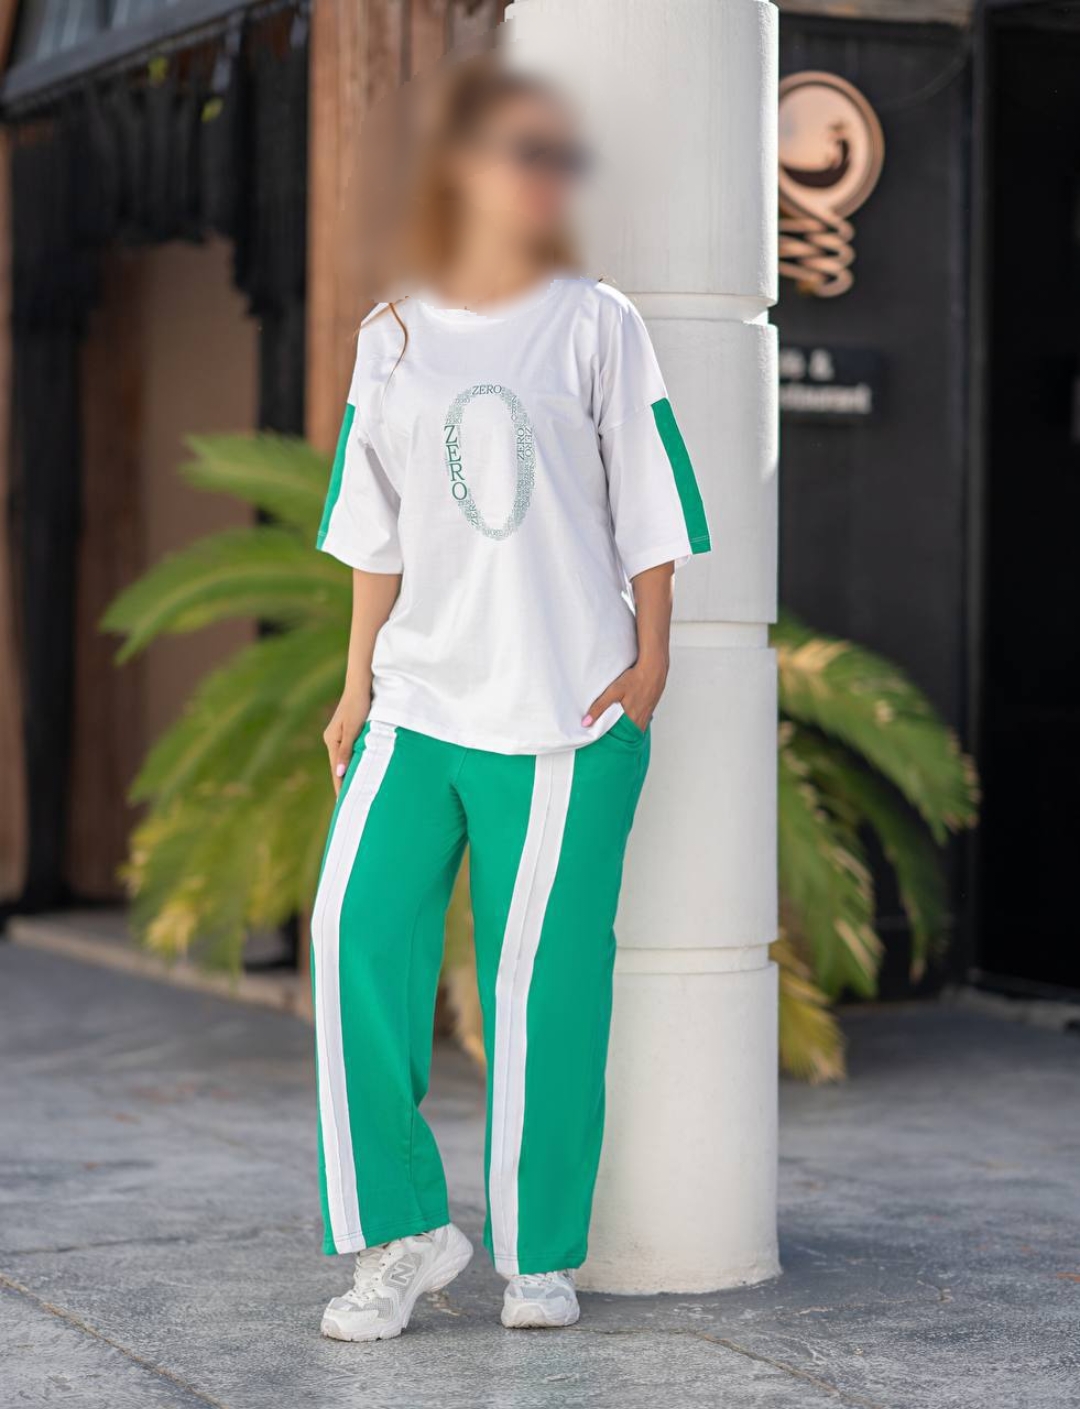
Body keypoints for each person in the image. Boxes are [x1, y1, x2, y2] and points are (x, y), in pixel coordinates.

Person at [311, 55, 710, 1343]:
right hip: (418, 701)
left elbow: (651, 500)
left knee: (543, 984)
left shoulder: (595, 320)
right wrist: (355, 686)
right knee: (348, 933)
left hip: (568, 709)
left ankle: (540, 1256)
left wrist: (648, 669)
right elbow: (372, 529)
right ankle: (402, 1235)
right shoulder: (392, 334)